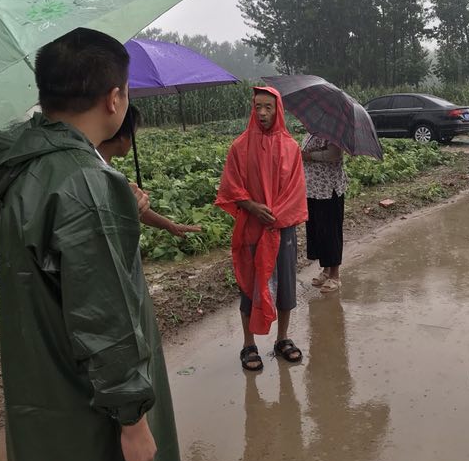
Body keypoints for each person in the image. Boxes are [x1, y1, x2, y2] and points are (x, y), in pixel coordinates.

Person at [0, 28, 180, 461]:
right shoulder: (85, 182)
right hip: (90, 410)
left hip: (43, 392)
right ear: (114, 98)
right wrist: (133, 421)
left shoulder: (23, 169)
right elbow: (103, 313)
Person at [215, 87, 308, 371]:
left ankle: (282, 339)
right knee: (250, 284)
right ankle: (249, 344)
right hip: (252, 227)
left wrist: (276, 216)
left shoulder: (290, 148)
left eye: (268, 107)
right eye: (258, 107)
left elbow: (296, 191)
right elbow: (231, 186)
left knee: (286, 285)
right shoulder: (240, 147)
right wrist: (252, 206)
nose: (263, 113)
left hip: (282, 229)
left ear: (278, 110)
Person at [98, 104, 202, 239]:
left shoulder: (101, 164)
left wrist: (169, 225)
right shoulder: (99, 174)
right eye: (134, 134)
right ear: (123, 137)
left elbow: (133, 208)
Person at [301, 132, 348, 293]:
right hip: (313, 190)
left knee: (331, 231)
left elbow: (335, 154)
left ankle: (335, 276)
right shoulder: (312, 132)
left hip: (329, 189)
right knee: (319, 230)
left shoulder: (334, 132)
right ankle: (326, 270)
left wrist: (310, 156)